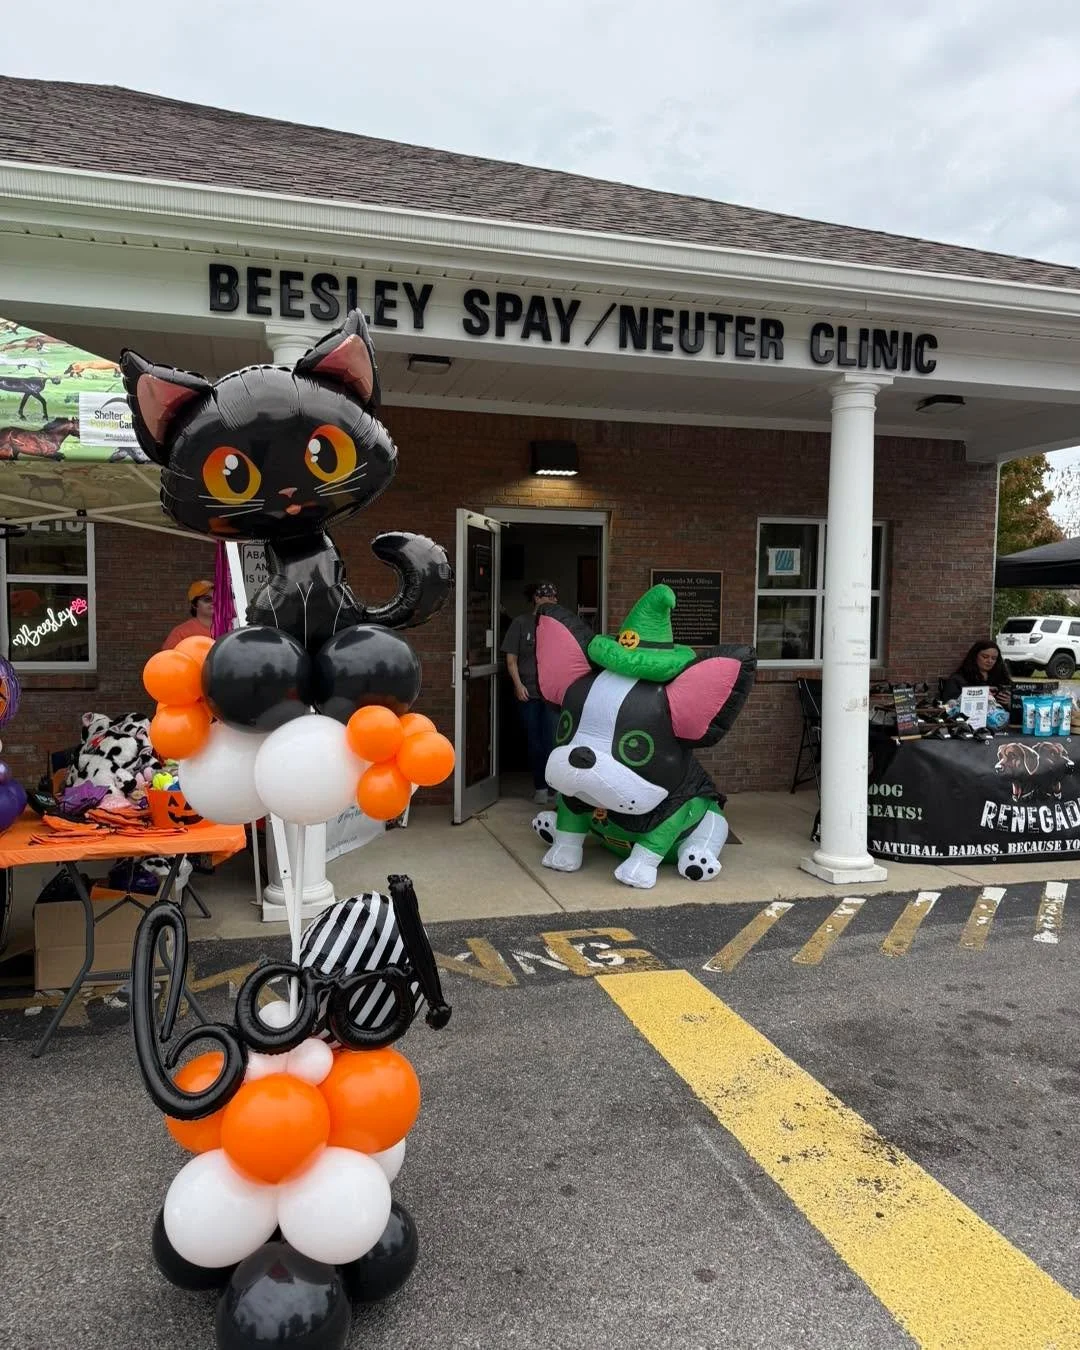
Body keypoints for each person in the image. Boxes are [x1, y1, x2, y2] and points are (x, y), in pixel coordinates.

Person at [501, 581, 560, 803]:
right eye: (546, 597)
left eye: (554, 597)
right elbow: (511, 659)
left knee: (553, 741)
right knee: (534, 741)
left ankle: (556, 788)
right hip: (529, 692)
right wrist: (518, 685)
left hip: (553, 694)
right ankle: (540, 787)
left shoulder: (558, 624)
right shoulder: (520, 623)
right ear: (536, 598)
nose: (550, 600)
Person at [940, 640, 1012, 708]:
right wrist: (980, 693)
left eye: (994, 658)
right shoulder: (958, 679)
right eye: (985, 657)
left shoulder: (1002, 678)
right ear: (975, 656)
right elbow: (949, 705)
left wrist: (1012, 703)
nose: (990, 661)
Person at [162, 580, 214, 650]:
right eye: (207, 599)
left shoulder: (229, 627)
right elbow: (167, 658)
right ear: (194, 605)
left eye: (217, 598)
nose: (214, 602)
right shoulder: (181, 633)